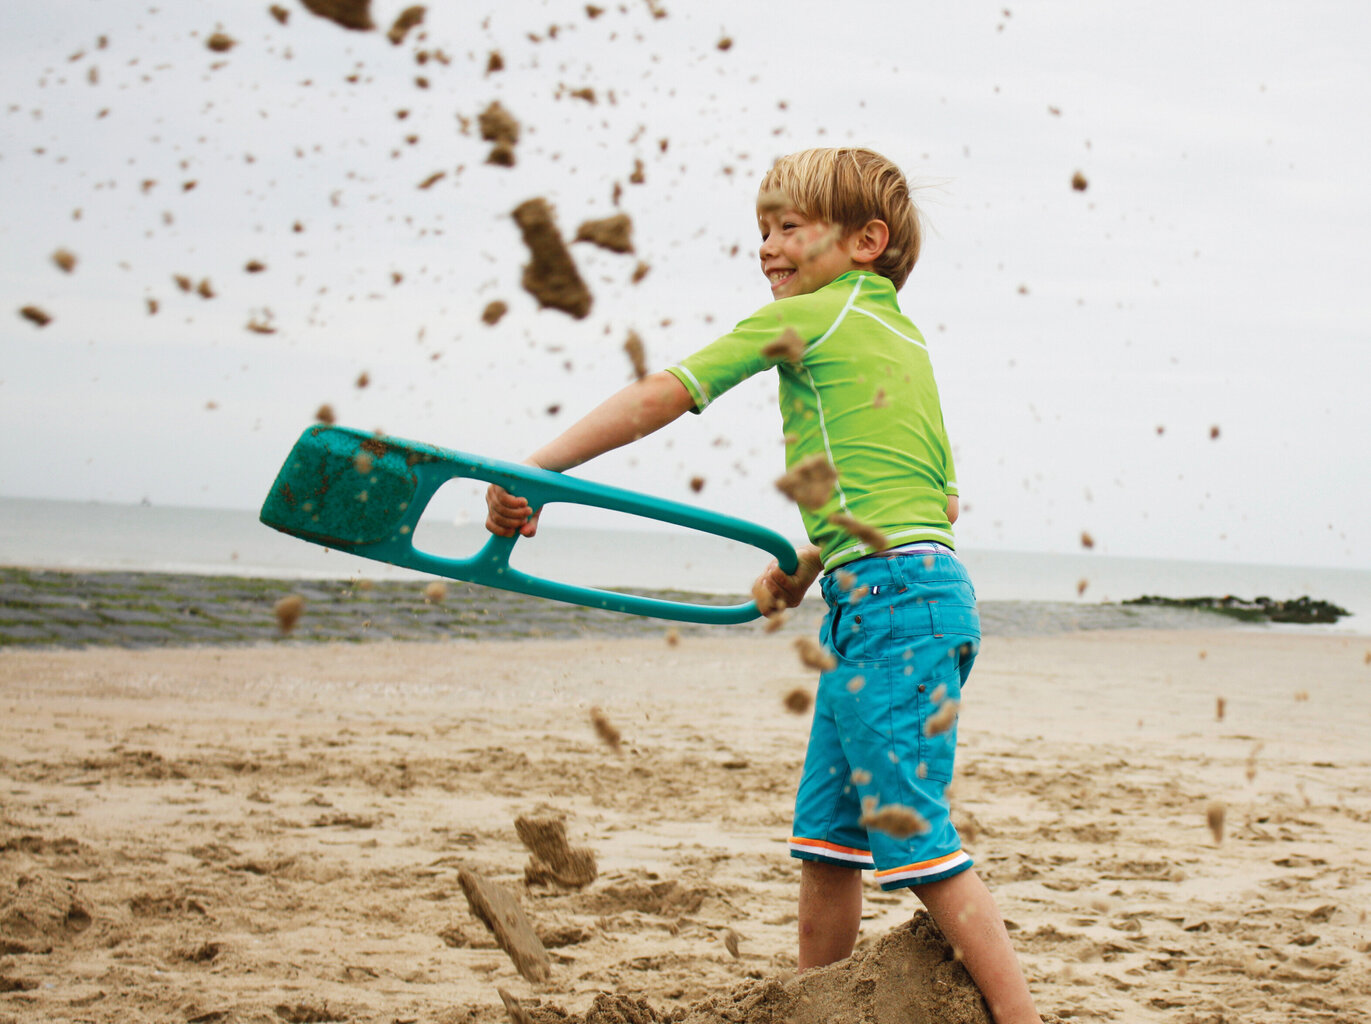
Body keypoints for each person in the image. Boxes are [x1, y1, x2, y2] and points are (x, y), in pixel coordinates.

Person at [486, 147, 1041, 1023]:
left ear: (866, 239)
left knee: (913, 833)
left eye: (789, 227)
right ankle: (819, 1007)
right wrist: (804, 569)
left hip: (896, 606)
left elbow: (664, 392)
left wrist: (535, 469)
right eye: (762, 230)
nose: (768, 247)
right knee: (826, 845)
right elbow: (922, 498)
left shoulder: (813, 317)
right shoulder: (895, 333)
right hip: (892, 597)